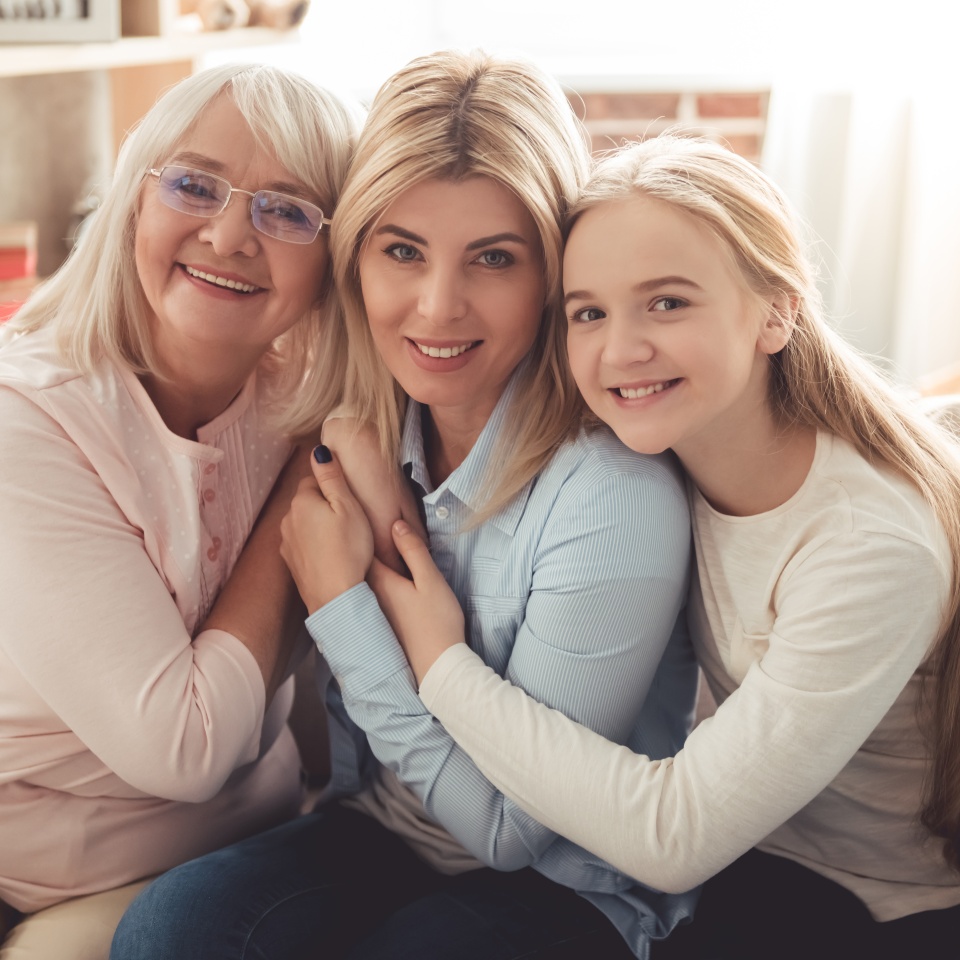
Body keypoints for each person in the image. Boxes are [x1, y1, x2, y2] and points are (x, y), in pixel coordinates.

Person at [110, 50, 699, 960]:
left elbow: (509, 835)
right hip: (386, 834)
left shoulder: (611, 498)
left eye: (493, 259)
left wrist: (348, 604)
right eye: (402, 251)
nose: (437, 307)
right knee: (170, 935)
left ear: (551, 273)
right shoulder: (363, 431)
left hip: (567, 889)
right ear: (354, 260)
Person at [367, 134, 960, 959]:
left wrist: (438, 663)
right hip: (755, 871)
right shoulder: (660, 454)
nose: (620, 350)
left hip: (888, 906)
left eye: (669, 303)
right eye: (589, 312)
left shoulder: (868, 544)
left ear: (778, 311)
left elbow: (671, 835)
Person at [0, 63, 358, 959]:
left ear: (335, 260)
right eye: (194, 185)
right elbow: (187, 748)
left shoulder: (291, 400)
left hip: (267, 842)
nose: (230, 234)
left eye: (287, 210)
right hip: (61, 884)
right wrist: (300, 491)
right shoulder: (26, 417)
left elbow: (316, 670)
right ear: (133, 201)